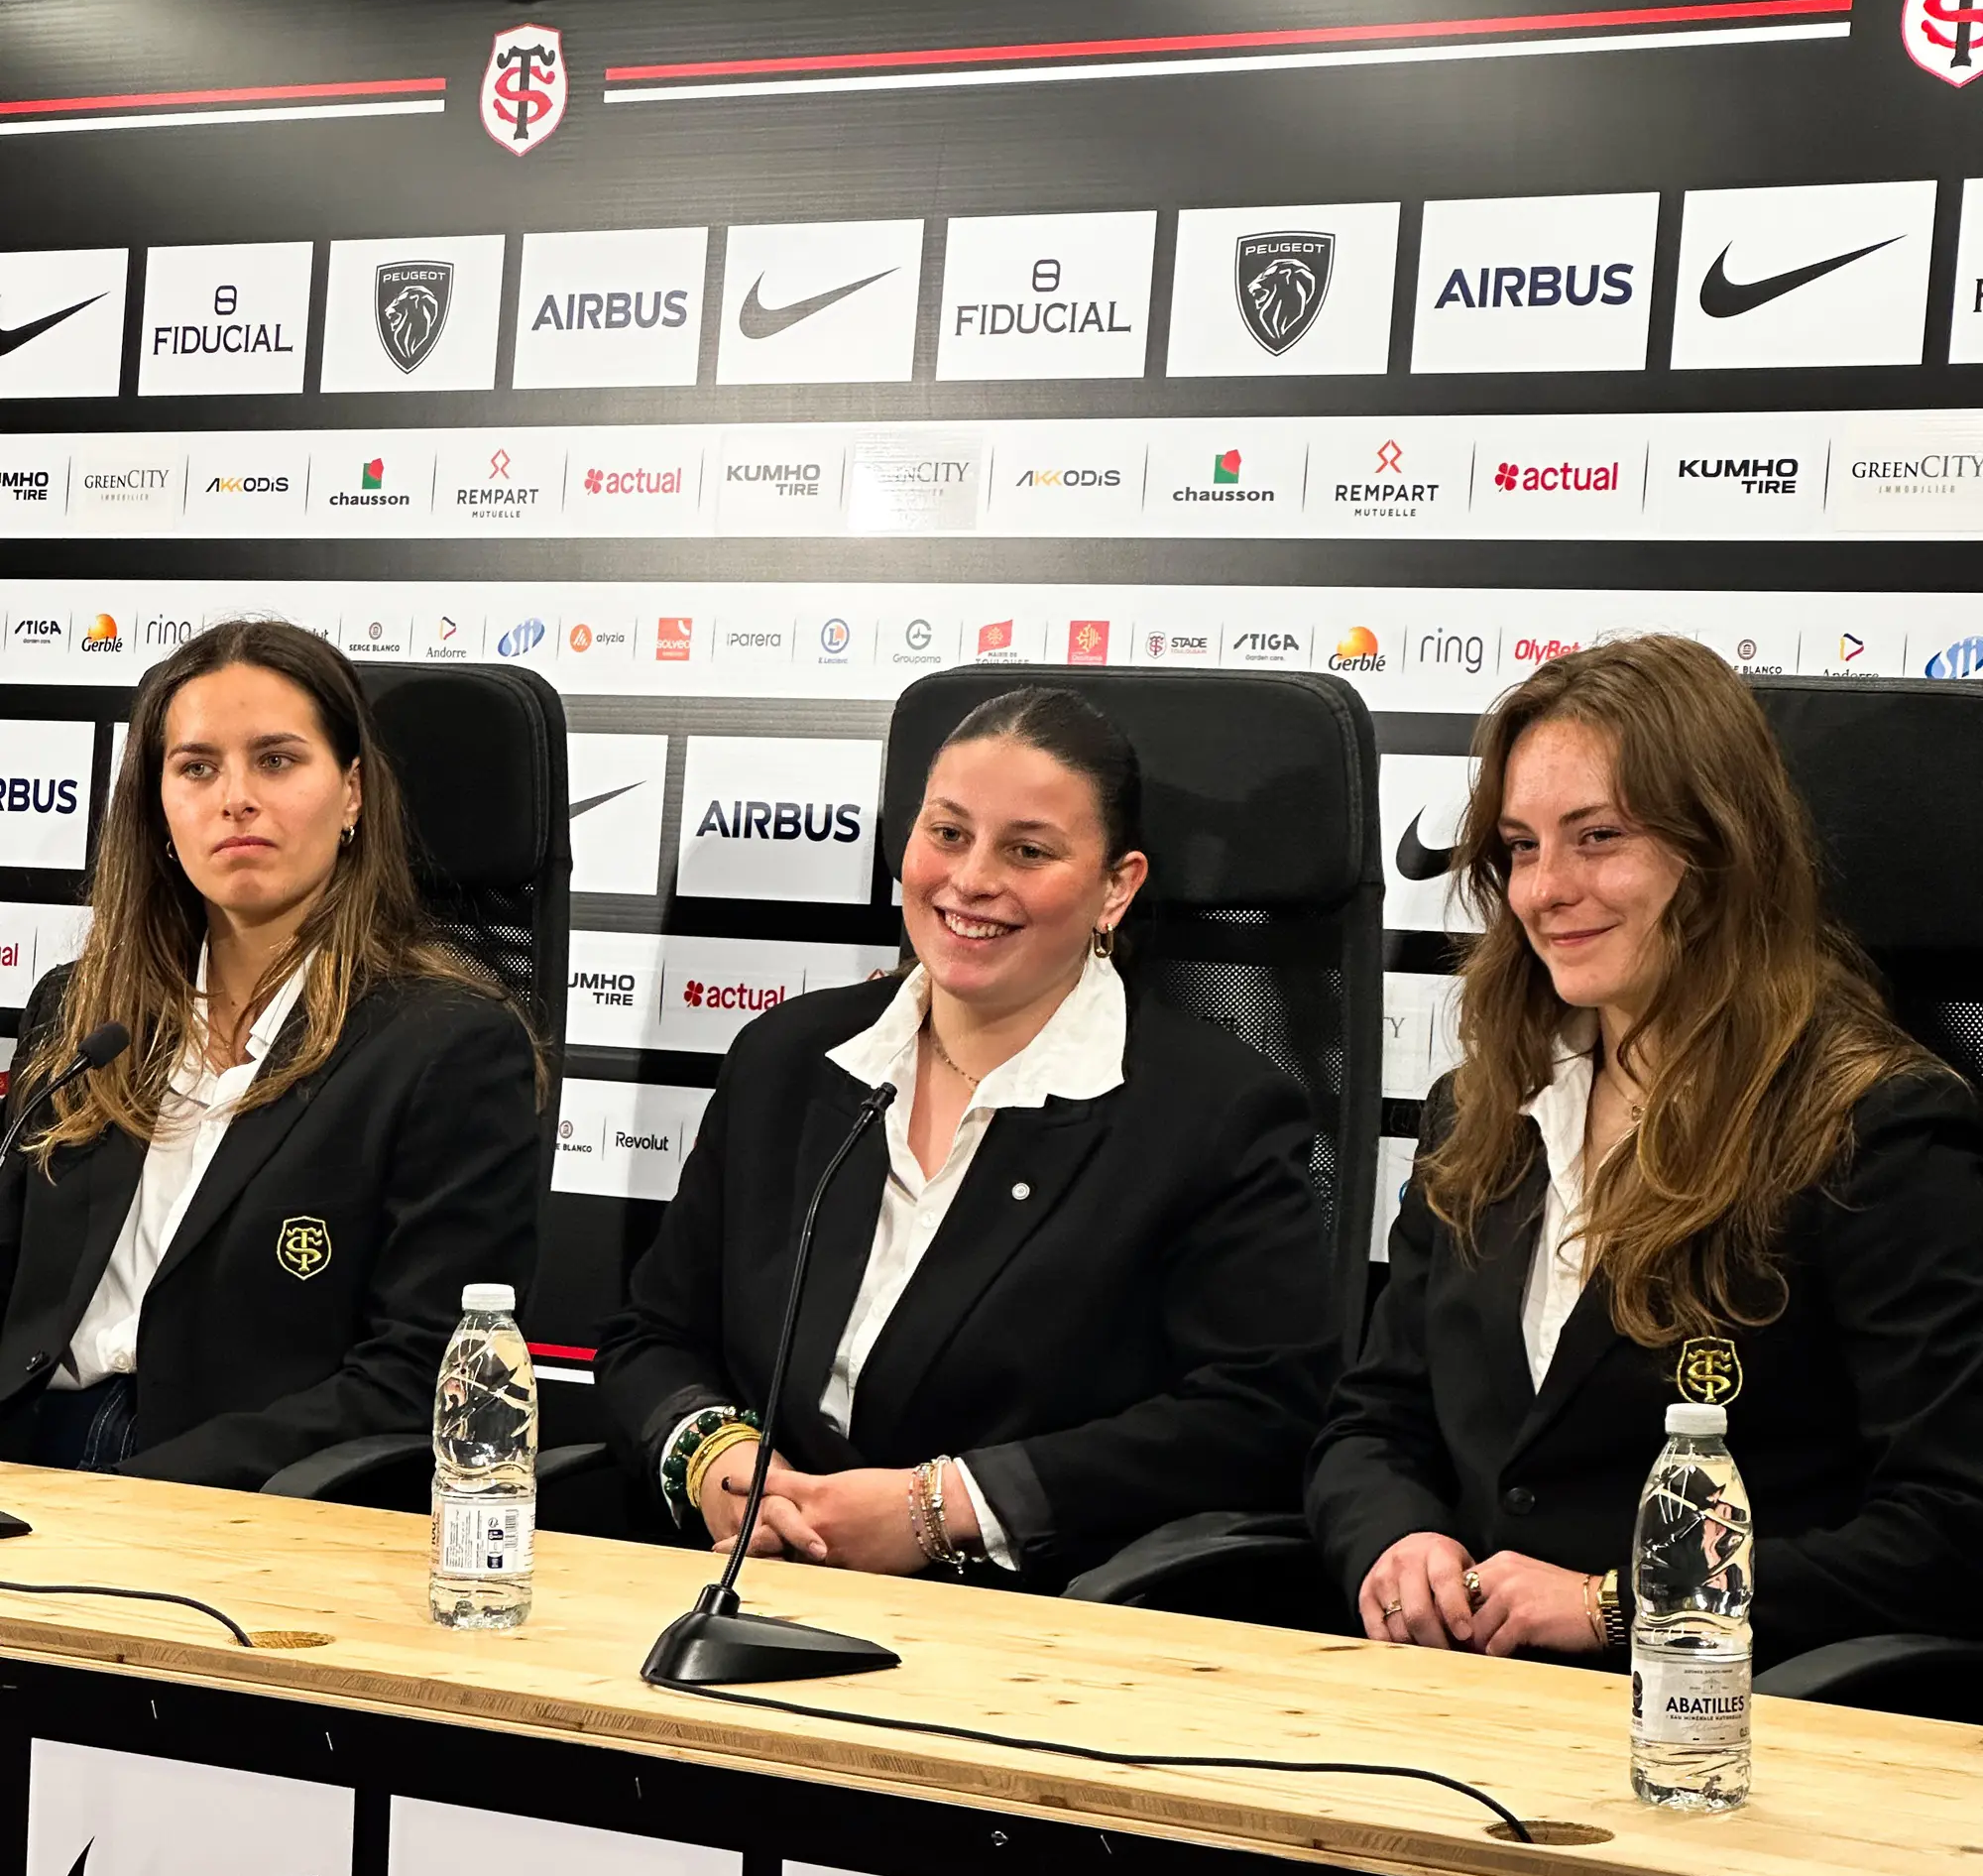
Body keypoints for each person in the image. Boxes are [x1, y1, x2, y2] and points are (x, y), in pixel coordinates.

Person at [1308, 633, 1983, 1672]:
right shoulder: (1477, 1111)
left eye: (1597, 837)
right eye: (1521, 846)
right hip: (1457, 1697)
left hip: (1726, 1713)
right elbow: (1373, 1421)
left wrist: (1624, 1603)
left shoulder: (1870, 1131)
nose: (1544, 889)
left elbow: (1950, 1525)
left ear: (1717, 849)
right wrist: (1394, 1539)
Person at [596, 684, 1335, 1588]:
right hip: (744, 1579)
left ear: (1117, 887)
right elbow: (652, 1336)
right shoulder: (788, 1059)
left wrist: (941, 1509)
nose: (972, 879)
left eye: (1027, 850)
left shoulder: (1215, 1111)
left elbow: (1257, 1416)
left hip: (1028, 1614)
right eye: (947, 833)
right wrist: (717, 1461)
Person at [0, 619, 542, 1488]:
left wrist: (140, 1495)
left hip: (238, 1487)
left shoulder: (448, 1044)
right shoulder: (78, 1014)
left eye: (277, 760)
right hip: (29, 1458)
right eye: (197, 768)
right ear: (158, 805)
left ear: (353, 793)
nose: (236, 798)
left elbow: (421, 1377)